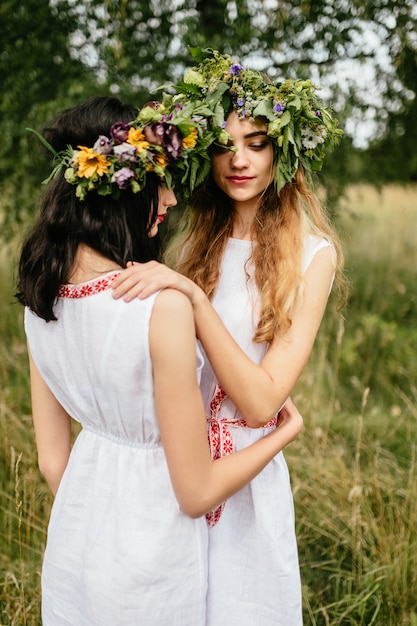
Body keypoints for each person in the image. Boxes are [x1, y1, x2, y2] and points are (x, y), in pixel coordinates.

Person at [16, 95, 304, 625]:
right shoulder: (162, 308)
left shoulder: (40, 299)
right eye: (159, 182)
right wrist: (284, 433)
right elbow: (194, 494)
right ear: (122, 193)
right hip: (153, 561)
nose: (171, 196)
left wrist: (103, 517)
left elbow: (53, 462)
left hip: (78, 546)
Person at [112, 48, 347, 625]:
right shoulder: (190, 243)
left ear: (282, 151)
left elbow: (264, 400)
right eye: (222, 145)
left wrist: (192, 298)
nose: (238, 160)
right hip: (176, 465)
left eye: (257, 142)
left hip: (246, 474)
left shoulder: (314, 256)